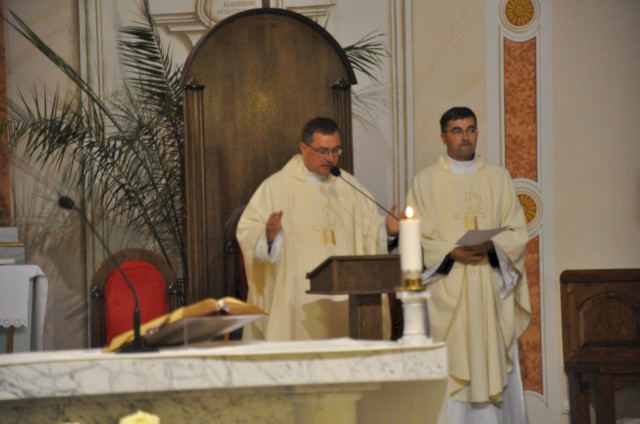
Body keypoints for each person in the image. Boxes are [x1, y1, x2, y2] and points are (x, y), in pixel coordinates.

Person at [406, 107, 531, 423]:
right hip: (450, 290)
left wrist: (492, 246)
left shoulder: (498, 177)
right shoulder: (425, 181)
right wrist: (451, 252)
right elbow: (416, 237)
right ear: (443, 136)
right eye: (457, 131)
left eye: (471, 129)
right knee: (454, 364)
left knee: (491, 359)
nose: (466, 137)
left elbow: (516, 231)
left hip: (490, 288)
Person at [237, 117, 399, 341]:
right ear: (304, 148)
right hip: (298, 300)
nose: (331, 158)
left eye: (336, 150)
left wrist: (388, 231)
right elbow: (247, 233)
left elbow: (370, 235)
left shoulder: (349, 187)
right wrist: (268, 238)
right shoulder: (276, 187)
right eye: (323, 151)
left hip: (346, 301)